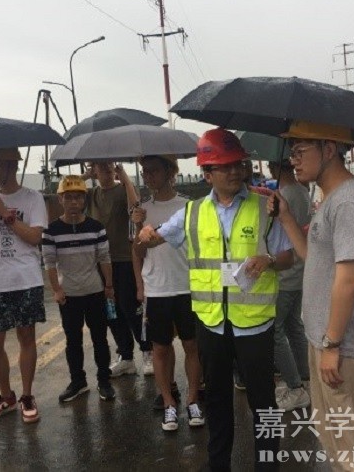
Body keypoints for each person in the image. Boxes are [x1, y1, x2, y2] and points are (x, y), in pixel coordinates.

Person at [138, 128, 293, 471]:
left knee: (263, 404)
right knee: (218, 402)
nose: (236, 171)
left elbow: (288, 257)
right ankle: (218, 464)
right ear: (207, 174)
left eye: (239, 164)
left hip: (254, 325)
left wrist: (268, 260)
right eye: (226, 166)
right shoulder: (192, 212)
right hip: (211, 324)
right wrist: (146, 232)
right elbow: (156, 237)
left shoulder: (265, 206)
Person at [269, 121, 354, 471]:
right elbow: (316, 260)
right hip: (329, 342)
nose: (293, 160)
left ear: (328, 149)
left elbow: (350, 279)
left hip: (348, 349)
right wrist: (287, 219)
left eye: (300, 151)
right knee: (337, 440)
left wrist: (333, 344)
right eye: (292, 152)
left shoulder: (348, 203)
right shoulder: (331, 200)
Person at [0, 147, 48, 425]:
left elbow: (35, 237)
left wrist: (7, 215)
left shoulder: (33, 197)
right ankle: (6, 395)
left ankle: (27, 395)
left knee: (26, 337)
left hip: (26, 277)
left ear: (12, 165)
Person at [131, 155, 204, 431]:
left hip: (187, 285)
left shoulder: (188, 206)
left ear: (170, 172)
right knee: (160, 348)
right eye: (145, 172)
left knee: (192, 345)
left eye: (153, 171)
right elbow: (138, 252)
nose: (148, 176)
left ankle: (193, 400)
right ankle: (169, 403)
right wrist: (138, 226)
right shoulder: (141, 211)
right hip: (157, 289)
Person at [43, 175, 115, 402]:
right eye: (69, 197)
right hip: (69, 295)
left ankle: (104, 380)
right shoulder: (51, 231)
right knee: (72, 341)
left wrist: (109, 285)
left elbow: (104, 258)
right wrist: (56, 289)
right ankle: (78, 381)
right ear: (60, 199)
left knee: (100, 338)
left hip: (95, 291)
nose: (74, 202)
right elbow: (49, 263)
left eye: (78, 197)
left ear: (84, 199)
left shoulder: (96, 227)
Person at [84, 162, 153, 376]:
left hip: (124, 259)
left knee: (131, 307)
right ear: (94, 169)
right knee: (111, 312)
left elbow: (135, 207)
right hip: (100, 261)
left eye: (109, 164)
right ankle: (126, 356)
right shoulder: (91, 194)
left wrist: (124, 178)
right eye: (100, 165)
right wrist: (86, 175)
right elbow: (67, 191)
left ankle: (147, 351)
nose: (105, 168)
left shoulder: (123, 189)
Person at [267, 158, 312, 412]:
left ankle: (295, 386)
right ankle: (305, 378)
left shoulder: (282, 196)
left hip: (284, 274)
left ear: (274, 168)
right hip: (300, 271)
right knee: (295, 326)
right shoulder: (303, 192)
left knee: (275, 331)